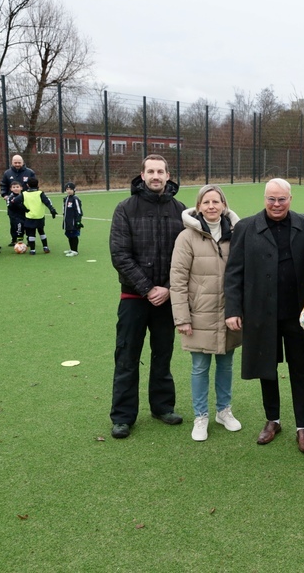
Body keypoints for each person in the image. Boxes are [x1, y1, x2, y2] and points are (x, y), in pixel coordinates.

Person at [224, 178, 304, 454]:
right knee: (265, 367)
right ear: (264, 199)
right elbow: (233, 272)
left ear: (290, 199)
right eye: (271, 199)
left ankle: (302, 427)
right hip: (260, 312)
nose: (276, 204)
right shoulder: (246, 228)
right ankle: (273, 421)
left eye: (281, 199)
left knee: (300, 369)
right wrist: (233, 309)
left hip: (298, 314)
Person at [109, 155, 186, 439]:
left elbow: (186, 257)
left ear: (168, 175)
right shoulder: (125, 208)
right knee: (127, 356)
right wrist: (148, 288)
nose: (156, 176)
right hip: (133, 297)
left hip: (167, 298)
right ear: (142, 175)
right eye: (151, 171)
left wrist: (167, 287)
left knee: (163, 354)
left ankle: (162, 406)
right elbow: (120, 255)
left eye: (160, 171)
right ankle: (122, 416)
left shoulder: (181, 210)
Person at [171, 185, 243, 442]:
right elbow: (178, 280)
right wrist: (182, 318)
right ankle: (200, 416)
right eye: (206, 202)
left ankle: (224, 411)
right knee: (200, 367)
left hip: (229, 313)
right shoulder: (186, 237)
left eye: (216, 201)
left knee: (226, 364)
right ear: (199, 206)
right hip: (199, 314)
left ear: (224, 205)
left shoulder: (236, 235)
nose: (211, 206)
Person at [0, 155, 38, 246]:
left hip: (26, 202)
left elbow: (35, 185)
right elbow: (3, 185)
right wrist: (4, 195)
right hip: (13, 203)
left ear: (23, 162)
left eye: (19, 162)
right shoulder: (7, 173)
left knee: (28, 222)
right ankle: (14, 240)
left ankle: (30, 240)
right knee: (13, 222)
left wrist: (33, 196)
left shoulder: (30, 172)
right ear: (12, 162)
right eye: (15, 162)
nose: (17, 164)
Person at [22, 178, 57, 255]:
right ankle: (45, 247)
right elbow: (47, 202)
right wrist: (52, 209)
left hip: (30, 217)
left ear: (27, 185)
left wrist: (23, 208)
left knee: (31, 233)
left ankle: (32, 250)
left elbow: (16, 202)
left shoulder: (24, 194)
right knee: (41, 231)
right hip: (39, 216)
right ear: (38, 185)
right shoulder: (40, 193)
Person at [61, 182, 84, 257]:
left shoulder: (75, 199)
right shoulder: (66, 199)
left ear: (74, 190)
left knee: (73, 235)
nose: (69, 191)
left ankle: (75, 250)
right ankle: (71, 249)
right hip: (67, 221)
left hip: (73, 221)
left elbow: (79, 211)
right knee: (69, 235)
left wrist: (78, 221)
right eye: (67, 189)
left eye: (70, 189)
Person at [6, 181, 27, 246]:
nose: (16, 188)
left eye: (17, 187)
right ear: (11, 189)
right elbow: (10, 206)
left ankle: (29, 240)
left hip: (23, 215)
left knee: (25, 227)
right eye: (14, 187)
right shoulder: (10, 197)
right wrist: (16, 204)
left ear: (21, 188)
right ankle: (15, 240)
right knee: (15, 227)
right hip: (14, 216)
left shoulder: (23, 196)